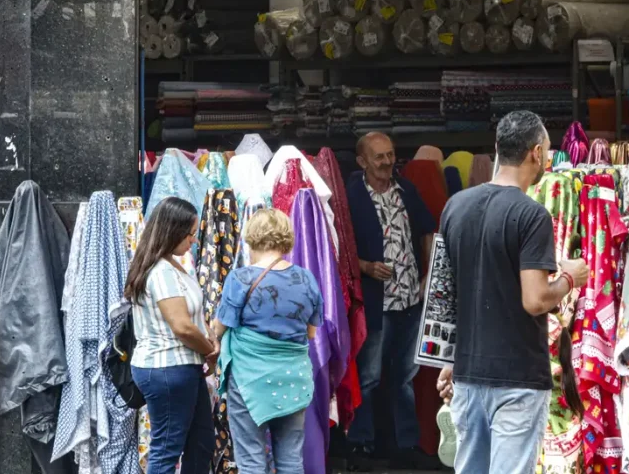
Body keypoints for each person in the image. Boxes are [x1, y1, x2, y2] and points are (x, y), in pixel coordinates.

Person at [434, 111, 589, 474]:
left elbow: (443, 294)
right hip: (517, 377)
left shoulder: (454, 206)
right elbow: (534, 300)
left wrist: (445, 361)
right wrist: (569, 278)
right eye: (548, 152)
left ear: (497, 149)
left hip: (468, 373)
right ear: (536, 153)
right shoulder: (531, 215)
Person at [346, 131, 438, 470]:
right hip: (375, 303)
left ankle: (405, 443)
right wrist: (366, 267)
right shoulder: (352, 195)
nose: (387, 162)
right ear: (362, 162)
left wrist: (427, 272)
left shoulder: (405, 190)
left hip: (409, 301)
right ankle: (362, 444)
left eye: (390, 154)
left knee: (404, 376)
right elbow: (338, 248)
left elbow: (427, 228)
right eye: (379, 156)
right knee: (368, 376)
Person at [211, 207, 324, 474]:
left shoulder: (241, 278)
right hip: (293, 379)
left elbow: (219, 328)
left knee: (251, 462)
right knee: (291, 461)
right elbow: (310, 333)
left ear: (253, 237)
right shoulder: (306, 279)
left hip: (249, 380)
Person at [124, 196, 217, 474]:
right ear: (172, 231)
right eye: (190, 234)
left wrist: (208, 335)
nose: (194, 240)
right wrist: (210, 350)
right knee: (167, 450)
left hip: (179, 367)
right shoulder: (161, 271)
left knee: (201, 441)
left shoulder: (171, 265)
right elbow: (182, 326)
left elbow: (193, 316)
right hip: (167, 368)